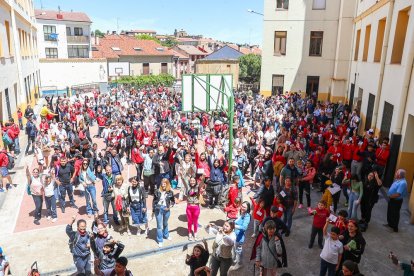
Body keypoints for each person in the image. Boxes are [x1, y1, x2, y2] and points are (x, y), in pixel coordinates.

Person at [153, 178, 175, 247]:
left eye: (165, 183)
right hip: (158, 209)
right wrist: (153, 210)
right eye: (162, 183)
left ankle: (166, 235)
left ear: (167, 184)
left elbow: (173, 201)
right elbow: (154, 201)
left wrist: (169, 207)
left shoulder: (170, 192)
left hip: (166, 209)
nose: (163, 185)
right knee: (159, 226)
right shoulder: (157, 191)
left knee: (165, 223)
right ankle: (160, 240)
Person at [233, 201, 251, 270]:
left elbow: (244, 227)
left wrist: (234, 226)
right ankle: (236, 260)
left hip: (239, 237)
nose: (242, 207)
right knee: (235, 249)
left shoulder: (247, 216)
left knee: (238, 251)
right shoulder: (241, 212)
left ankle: (239, 264)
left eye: (244, 207)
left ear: (248, 208)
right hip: (235, 235)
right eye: (242, 206)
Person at [186, 177, 201, 241]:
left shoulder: (198, 187)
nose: (192, 182)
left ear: (196, 181)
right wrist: (181, 176)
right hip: (189, 207)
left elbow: (202, 183)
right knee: (189, 221)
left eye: (193, 181)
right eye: (191, 181)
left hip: (196, 207)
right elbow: (184, 180)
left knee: (195, 221)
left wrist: (203, 178)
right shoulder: (187, 187)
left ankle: (195, 233)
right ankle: (189, 233)